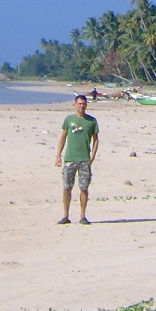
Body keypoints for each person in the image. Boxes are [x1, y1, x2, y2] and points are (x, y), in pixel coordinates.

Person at [54, 93, 98, 225]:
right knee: (67, 187)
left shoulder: (92, 121)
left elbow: (96, 140)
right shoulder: (68, 120)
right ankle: (65, 215)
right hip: (70, 159)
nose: (82, 106)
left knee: (84, 188)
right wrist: (58, 155)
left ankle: (83, 216)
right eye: (79, 104)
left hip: (84, 159)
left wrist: (93, 156)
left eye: (84, 104)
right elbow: (63, 137)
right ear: (75, 105)